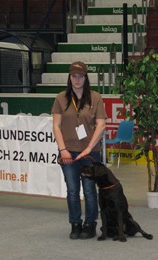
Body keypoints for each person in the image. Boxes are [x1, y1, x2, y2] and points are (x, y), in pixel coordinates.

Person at [52, 61, 107, 239]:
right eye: (74, 76)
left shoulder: (95, 97)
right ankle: (75, 223)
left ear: (85, 78)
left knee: (90, 190)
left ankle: (90, 224)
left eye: (80, 76)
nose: (77, 79)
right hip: (68, 153)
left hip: (90, 154)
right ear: (69, 77)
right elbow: (56, 125)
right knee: (72, 190)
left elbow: (101, 124)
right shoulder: (61, 98)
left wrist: (89, 148)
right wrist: (63, 150)